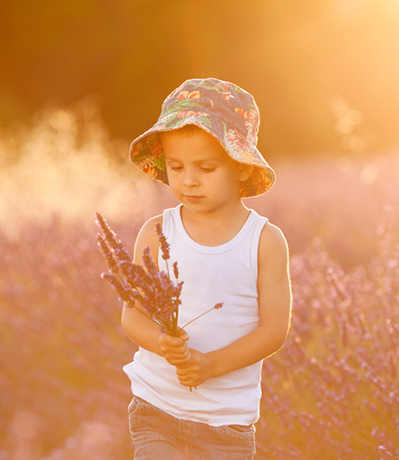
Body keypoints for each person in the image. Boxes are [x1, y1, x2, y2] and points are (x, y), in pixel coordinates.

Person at [122, 78, 292, 459]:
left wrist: (211, 364)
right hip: (156, 411)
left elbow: (274, 330)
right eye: (177, 167)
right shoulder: (154, 233)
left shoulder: (264, 241)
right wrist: (162, 344)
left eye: (206, 167)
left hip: (225, 426)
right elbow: (132, 317)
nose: (189, 181)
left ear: (243, 168)